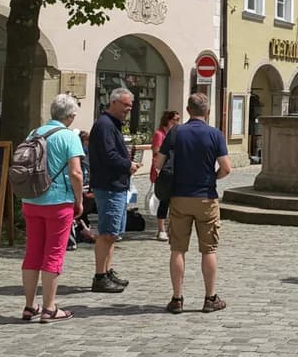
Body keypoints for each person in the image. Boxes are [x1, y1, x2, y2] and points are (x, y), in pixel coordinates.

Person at [156, 93, 232, 313]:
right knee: (209, 249)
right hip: (206, 197)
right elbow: (226, 168)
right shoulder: (214, 134)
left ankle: (177, 299)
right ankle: (210, 298)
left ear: (188, 110)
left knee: (177, 249)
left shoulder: (176, 132)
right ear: (207, 111)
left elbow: (158, 162)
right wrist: (212, 178)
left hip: (179, 196)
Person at [19, 94, 85, 323]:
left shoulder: (34, 133)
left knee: (33, 252)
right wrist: (79, 201)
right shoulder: (69, 136)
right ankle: (49, 307)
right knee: (54, 253)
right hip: (58, 201)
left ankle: (29, 306)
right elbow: (76, 173)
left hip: (31, 199)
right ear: (70, 115)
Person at [88, 87, 140, 294]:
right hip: (109, 185)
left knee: (113, 233)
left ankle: (107, 271)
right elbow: (109, 155)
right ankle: (100, 276)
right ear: (114, 102)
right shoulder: (104, 126)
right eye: (126, 105)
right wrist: (127, 165)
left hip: (116, 185)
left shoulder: (112, 125)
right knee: (107, 233)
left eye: (130, 106)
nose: (128, 109)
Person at [150, 110, 181, 241]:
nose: (178, 122)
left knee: (175, 200)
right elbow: (156, 152)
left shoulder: (176, 134)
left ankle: (171, 227)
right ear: (168, 120)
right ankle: (161, 229)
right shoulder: (159, 134)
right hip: (163, 171)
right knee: (164, 199)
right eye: (175, 120)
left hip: (175, 170)